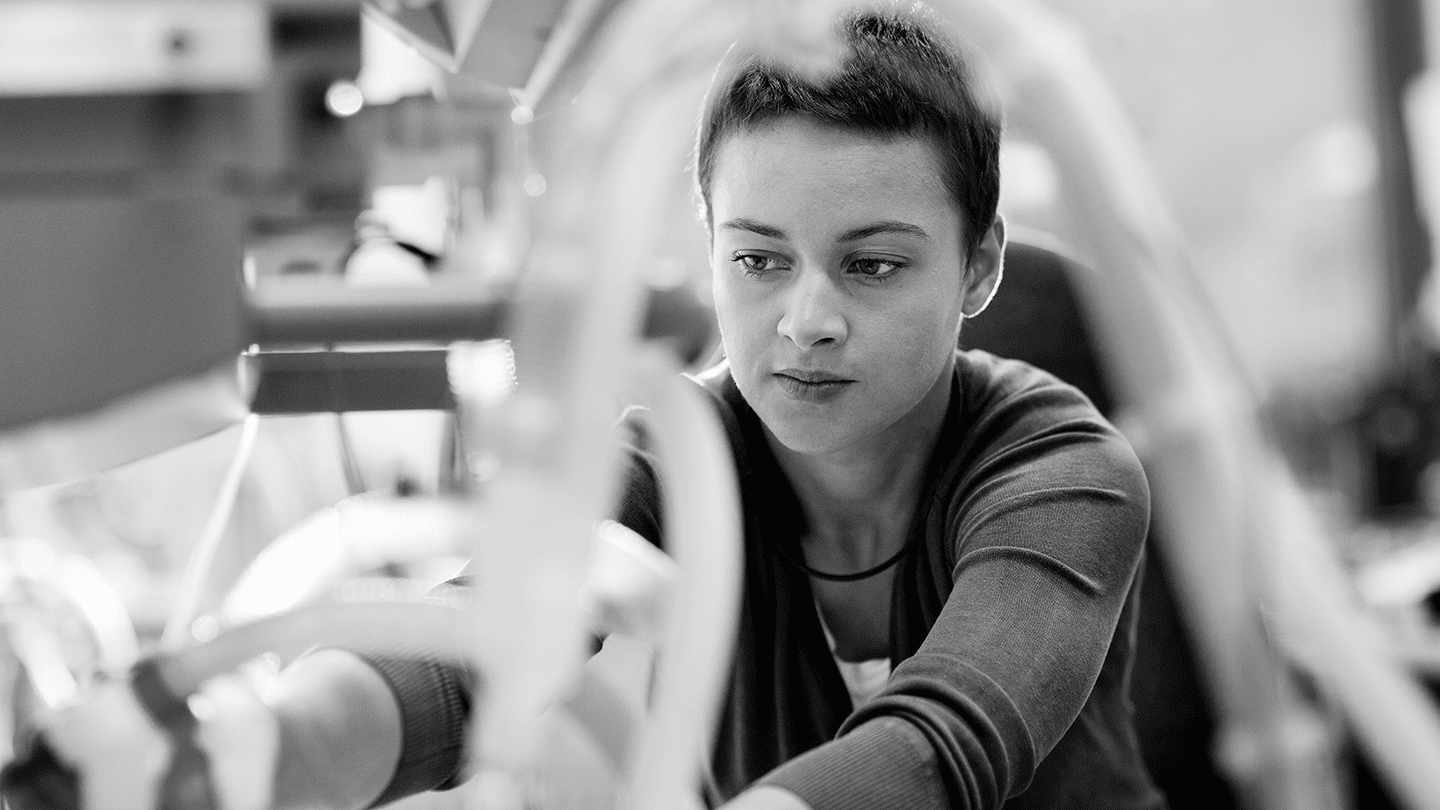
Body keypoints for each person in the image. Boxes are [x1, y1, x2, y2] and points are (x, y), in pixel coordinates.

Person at [11, 6, 1166, 810]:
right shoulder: (681, 461)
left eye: (872, 265)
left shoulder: (1065, 470)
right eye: (760, 260)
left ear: (979, 270)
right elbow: (478, 641)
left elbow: (945, 744)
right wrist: (264, 755)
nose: (805, 319)